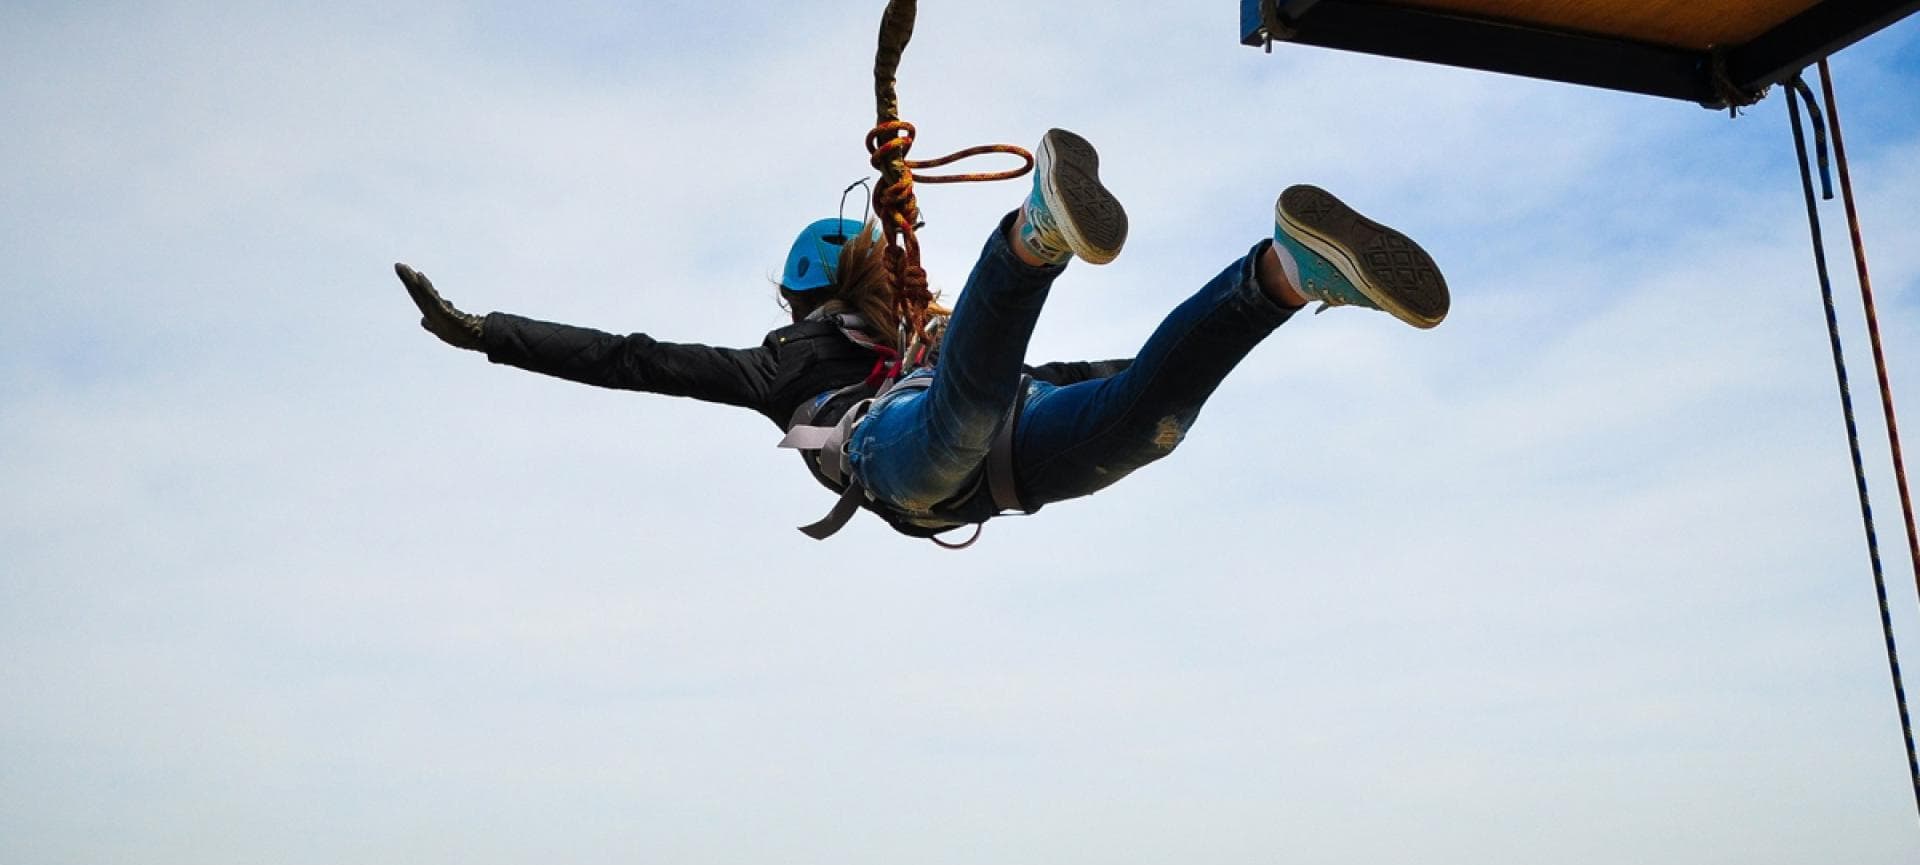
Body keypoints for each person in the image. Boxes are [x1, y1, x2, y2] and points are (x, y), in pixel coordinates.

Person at [396, 128, 1448, 543]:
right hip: (916, 454)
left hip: (969, 445)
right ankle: (1036, 240)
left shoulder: (924, 344)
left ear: (804, 288)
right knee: (978, 398)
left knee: (1148, 427)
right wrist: (484, 331)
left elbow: (1042, 374)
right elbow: (627, 359)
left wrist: (1154, 369)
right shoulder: (791, 368)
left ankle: (1280, 274)